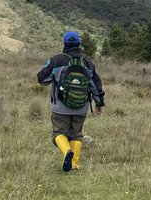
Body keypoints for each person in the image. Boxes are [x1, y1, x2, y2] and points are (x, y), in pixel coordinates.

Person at [37, 31, 104, 172]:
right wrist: (99, 103)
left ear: (64, 43)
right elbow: (96, 86)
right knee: (76, 134)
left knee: (58, 134)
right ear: (79, 43)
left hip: (60, 107)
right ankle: (74, 164)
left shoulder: (57, 60)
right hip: (81, 107)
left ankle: (67, 151)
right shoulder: (87, 63)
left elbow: (42, 79)